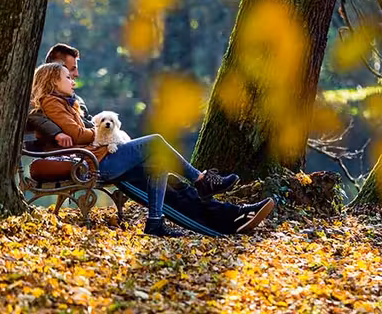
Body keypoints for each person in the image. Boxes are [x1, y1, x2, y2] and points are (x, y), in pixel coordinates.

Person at [29, 58, 258, 237]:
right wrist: (101, 131)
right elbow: (78, 134)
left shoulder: (69, 103)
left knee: (159, 165)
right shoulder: (52, 102)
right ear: (53, 82)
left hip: (102, 157)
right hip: (98, 163)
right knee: (156, 141)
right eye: (67, 77)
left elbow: (80, 132)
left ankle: (155, 222)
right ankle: (201, 181)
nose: (73, 81)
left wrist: (102, 133)